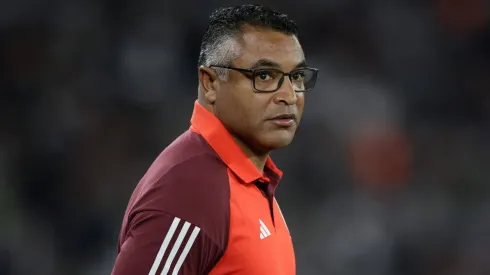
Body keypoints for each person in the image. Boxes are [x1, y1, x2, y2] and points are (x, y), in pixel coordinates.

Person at [111, 4, 318, 275]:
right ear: (210, 83)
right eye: (265, 76)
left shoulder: (247, 179)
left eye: (297, 77)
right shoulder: (190, 191)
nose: (289, 96)